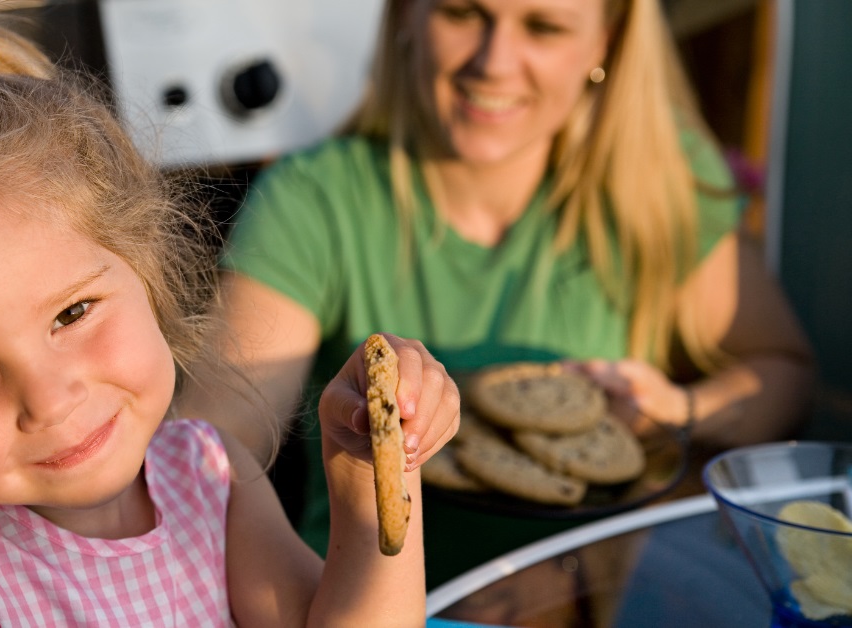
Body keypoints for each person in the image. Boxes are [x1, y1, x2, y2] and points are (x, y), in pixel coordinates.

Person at [0, 7, 460, 626]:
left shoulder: (208, 479)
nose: (48, 399)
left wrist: (372, 482)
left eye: (72, 313)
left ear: (148, 272)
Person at [181, 0, 815, 586]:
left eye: (544, 27)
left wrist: (680, 409)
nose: (494, 61)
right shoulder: (315, 199)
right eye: (463, 11)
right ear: (406, 13)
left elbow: (781, 375)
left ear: (608, 39)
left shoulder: (656, 185)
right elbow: (216, 439)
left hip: (600, 603)